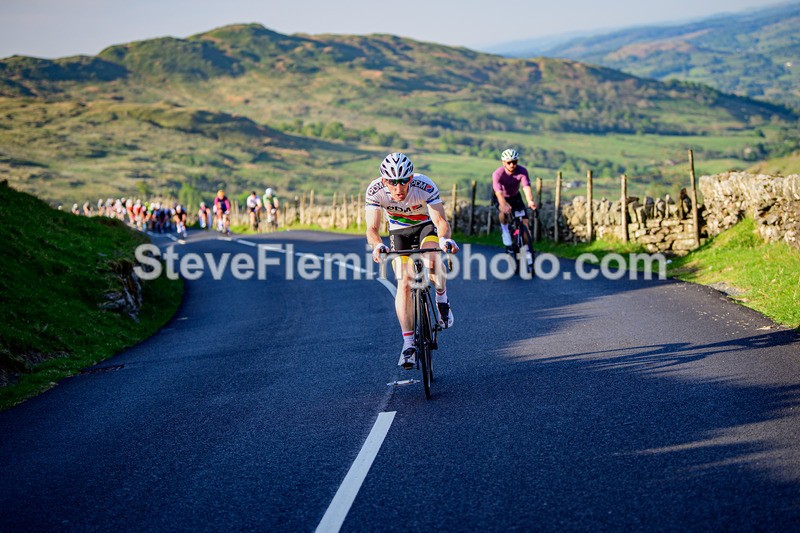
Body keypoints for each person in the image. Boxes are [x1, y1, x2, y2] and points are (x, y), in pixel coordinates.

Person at [365, 152, 459, 370]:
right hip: (399, 232)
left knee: (433, 261)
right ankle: (408, 344)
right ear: (383, 180)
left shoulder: (424, 184)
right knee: (405, 281)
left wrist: (445, 239)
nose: (399, 188)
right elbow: (372, 228)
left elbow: (440, 220)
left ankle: (442, 299)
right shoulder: (375, 190)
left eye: (404, 181)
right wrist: (377, 245)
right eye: (392, 182)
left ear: (411, 178)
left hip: (425, 226)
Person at [492, 149, 537, 250]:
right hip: (501, 196)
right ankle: (505, 230)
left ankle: (527, 248)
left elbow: (526, 187)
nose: (512, 165)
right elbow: (498, 192)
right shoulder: (498, 174)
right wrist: (503, 204)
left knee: (525, 224)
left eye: (514, 162)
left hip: (515, 196)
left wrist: (530, 201)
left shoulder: (522, 171)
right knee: (503, 212)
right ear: (504, 162)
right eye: (509, 162)